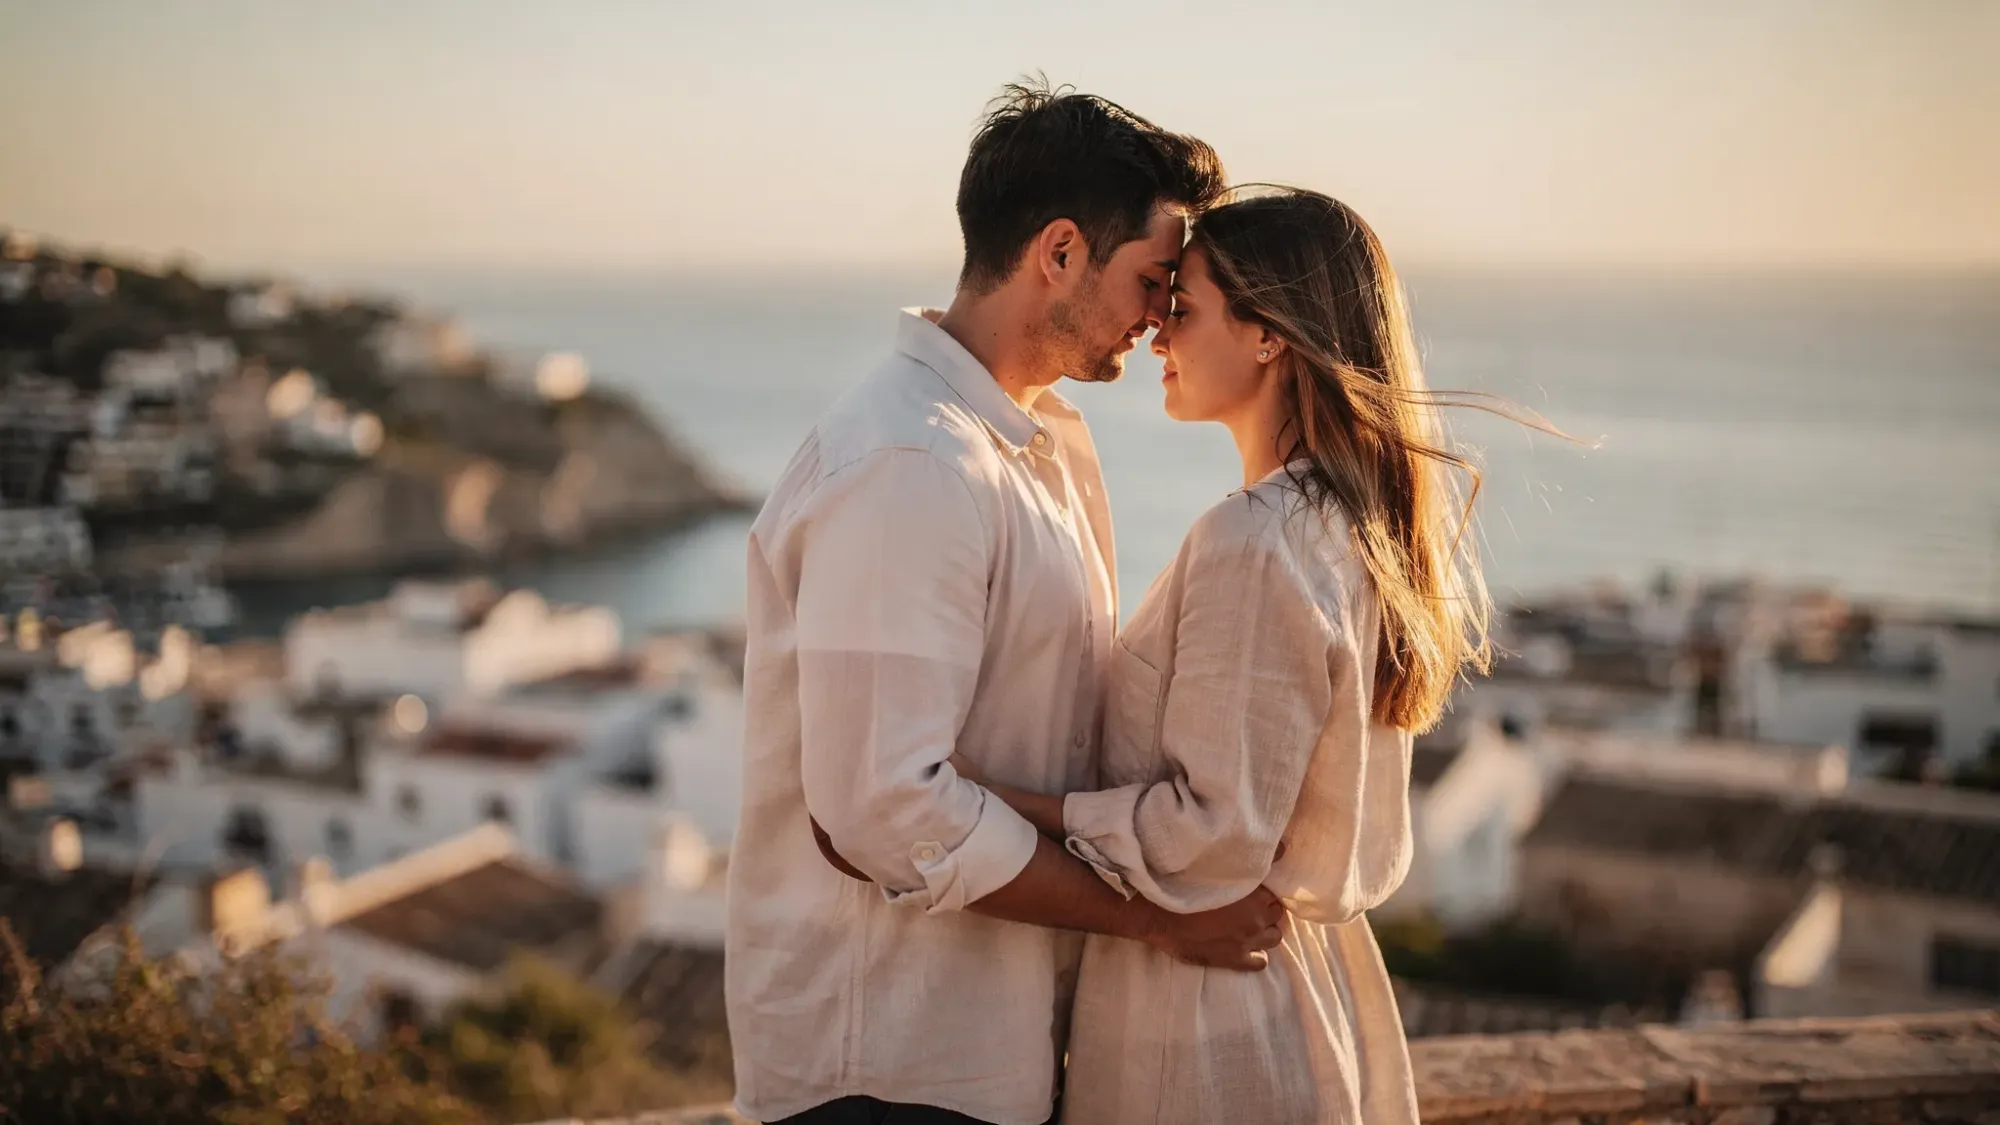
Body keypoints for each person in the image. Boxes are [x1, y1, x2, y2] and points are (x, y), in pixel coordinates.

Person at [724, 83, 1287, 1125]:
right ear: (1060, 252)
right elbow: (881, 809)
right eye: (1153, 278)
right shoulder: (912, 464)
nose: (1161, 314)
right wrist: (1155, 924)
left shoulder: (1037, 446)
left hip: (986, 1046)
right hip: (887, 1069)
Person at [971, 188, 1498, 1123]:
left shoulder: (1255, 541)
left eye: (1182, 309)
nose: (1156, 337)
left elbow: (1210, 837)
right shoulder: (1351, 527)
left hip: (1206, 1002)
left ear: (1270, 336)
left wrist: (989, 803)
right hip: (1291, 983)